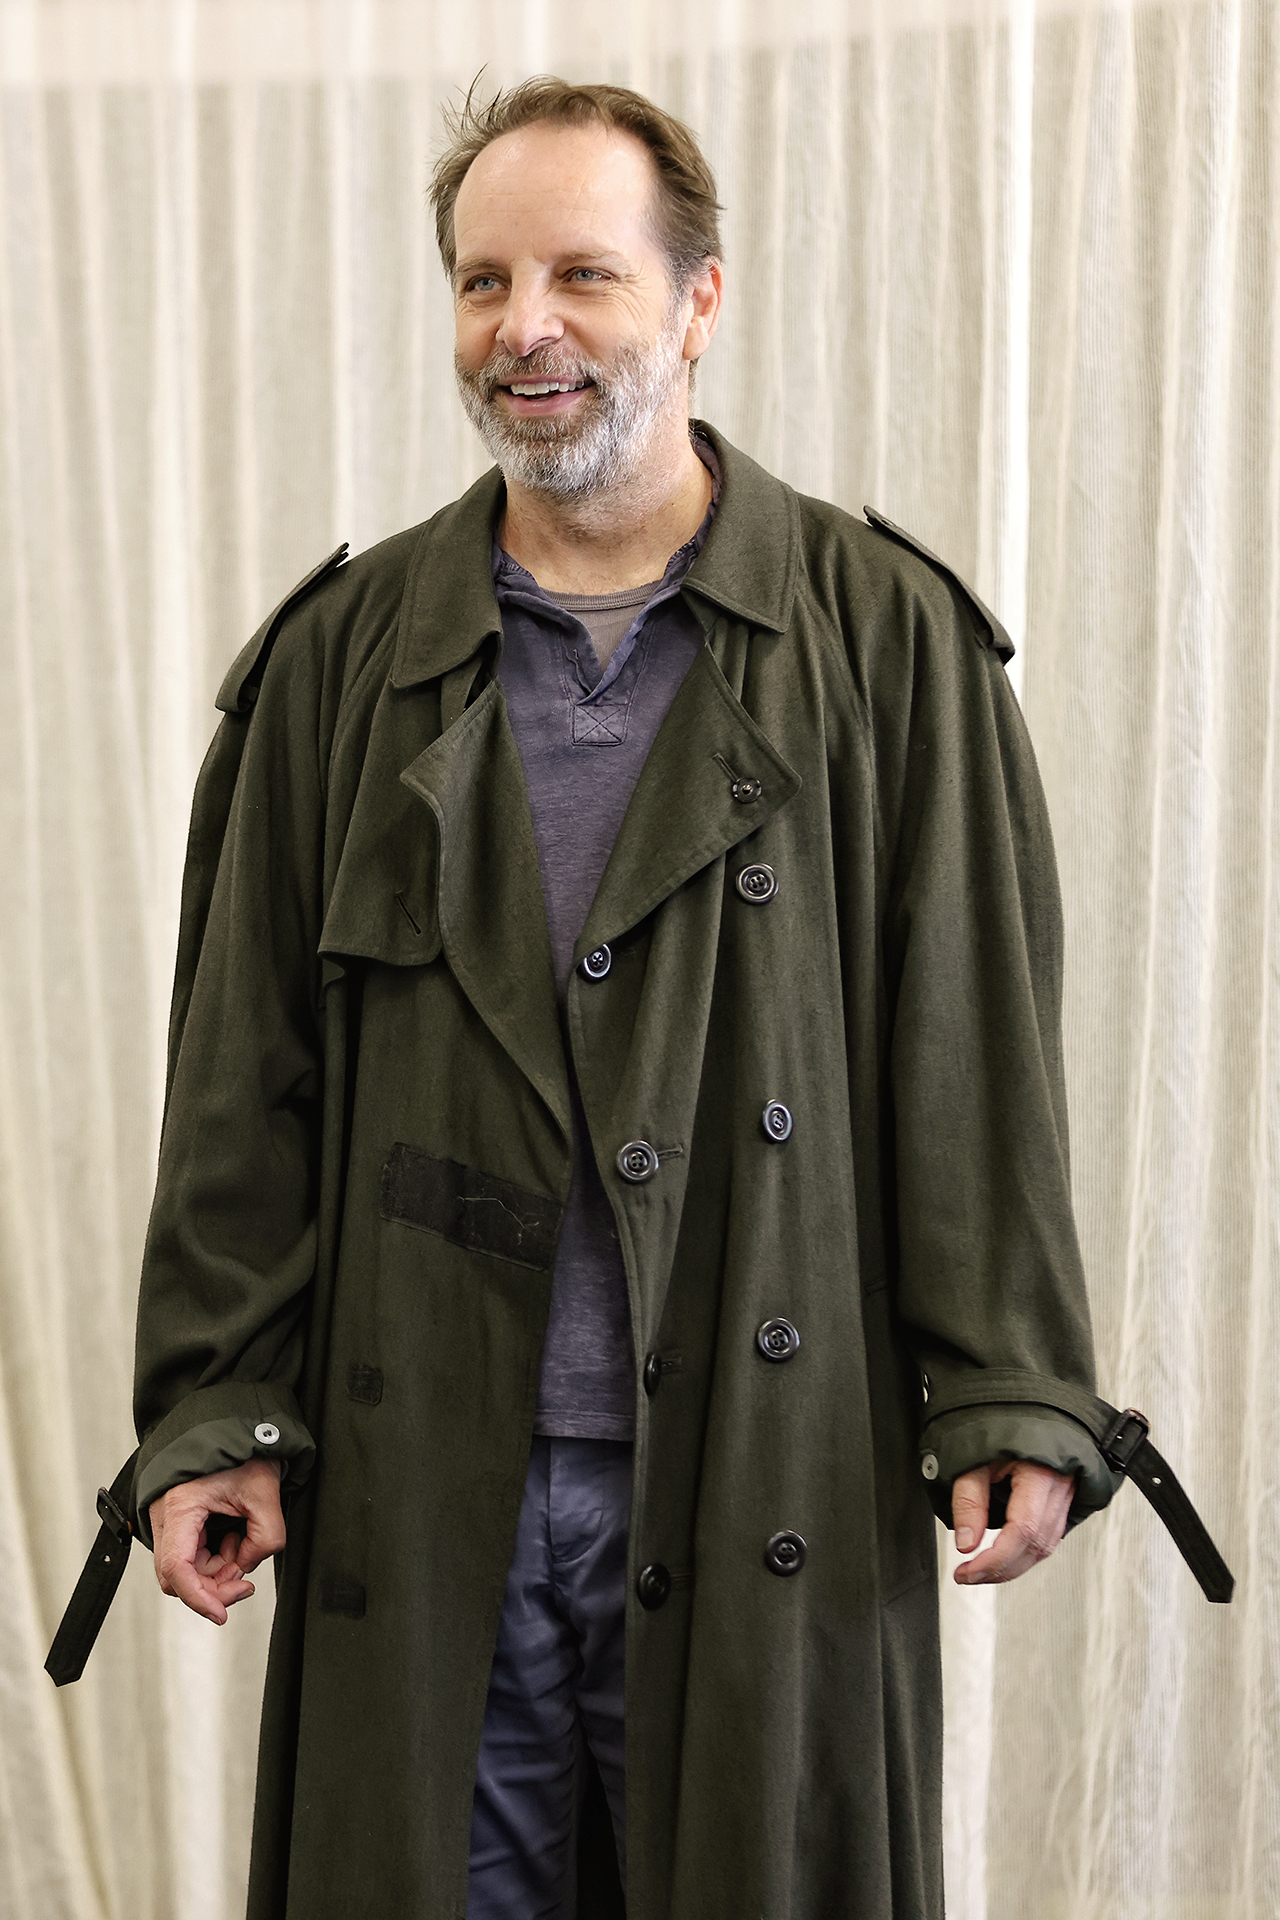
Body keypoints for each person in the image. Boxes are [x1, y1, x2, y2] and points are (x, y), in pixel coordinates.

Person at [84, 79, 1126, 1920]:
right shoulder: (343, 668)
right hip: (429, 1486)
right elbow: (245, 1079)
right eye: (485, 284)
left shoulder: (884, 645)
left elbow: (974, 1056)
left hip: (762, 1470)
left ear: (698, 299)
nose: (527, 328)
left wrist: (1013, 1388)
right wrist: (211, 1405)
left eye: (584, 273)